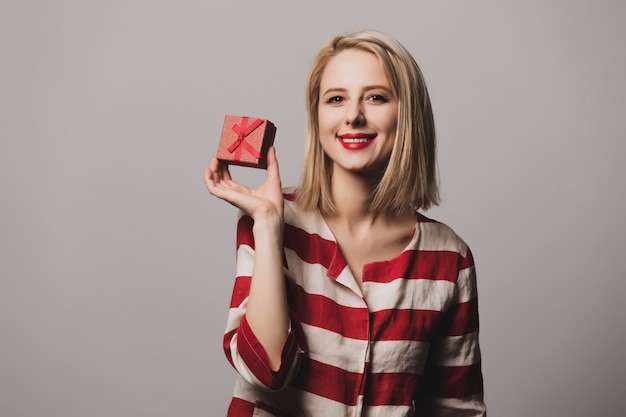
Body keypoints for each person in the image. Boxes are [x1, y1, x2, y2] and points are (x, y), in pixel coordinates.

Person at [205, 30, 486, 417]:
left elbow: (456, 409)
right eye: (336, 99)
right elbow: (265, 372)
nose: (353, 115)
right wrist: (269, 226)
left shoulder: (449, 259)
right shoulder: (269, 219)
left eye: (376, 97)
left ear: (408, 114)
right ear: (317, 116)